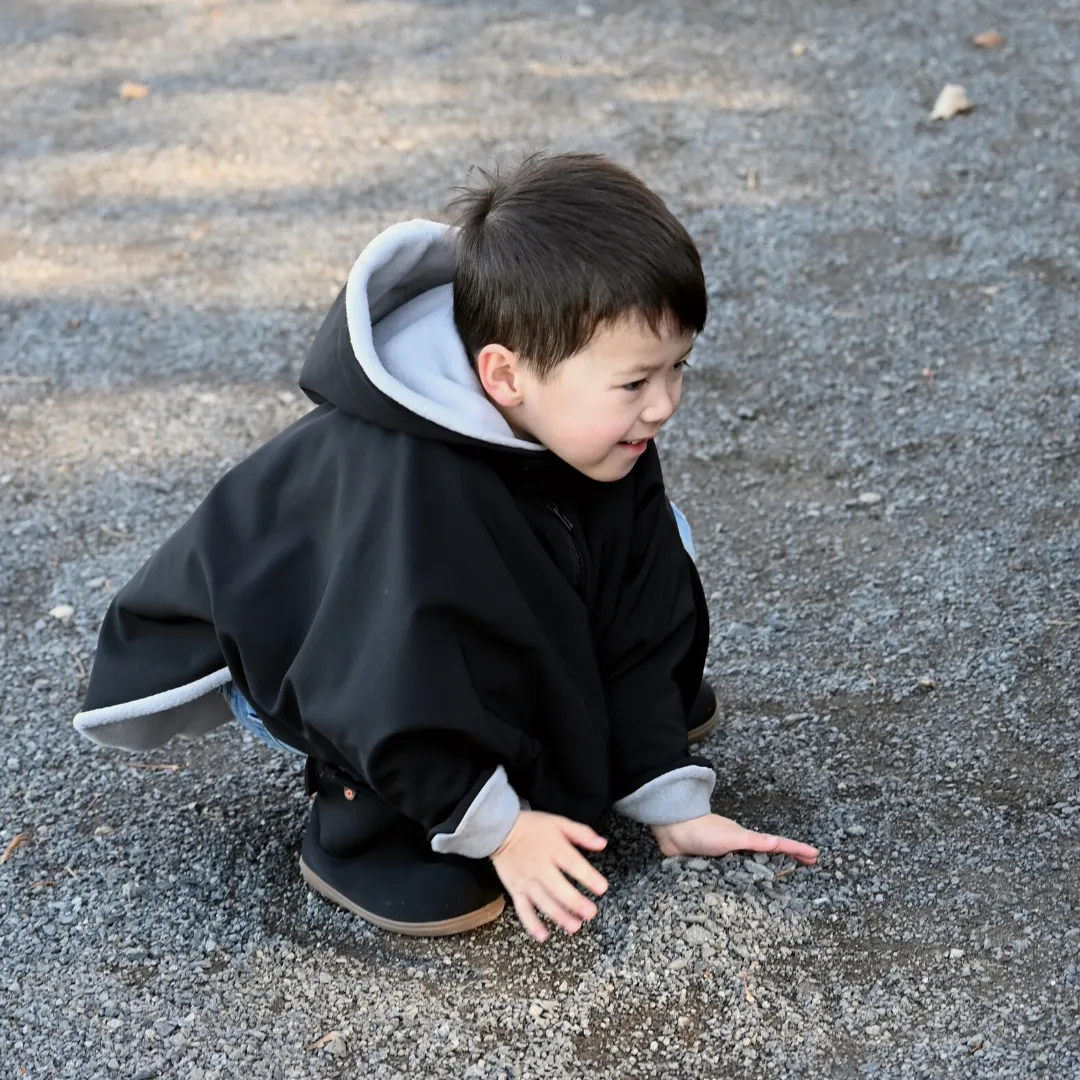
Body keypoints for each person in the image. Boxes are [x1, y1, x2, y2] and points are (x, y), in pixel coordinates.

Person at [74, 152, 818, 942]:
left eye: (679, 368)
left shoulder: (595, 427)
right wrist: (500, 826)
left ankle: (609, 737)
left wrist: (666, 790)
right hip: (316, 643)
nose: (665, 404)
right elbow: (385, 673)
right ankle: (364, 824)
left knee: (656, 545)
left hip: (433, 613)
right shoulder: (414, 491)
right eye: (636, 383)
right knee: (442, 646)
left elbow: (641, 596)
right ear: (505, 376)